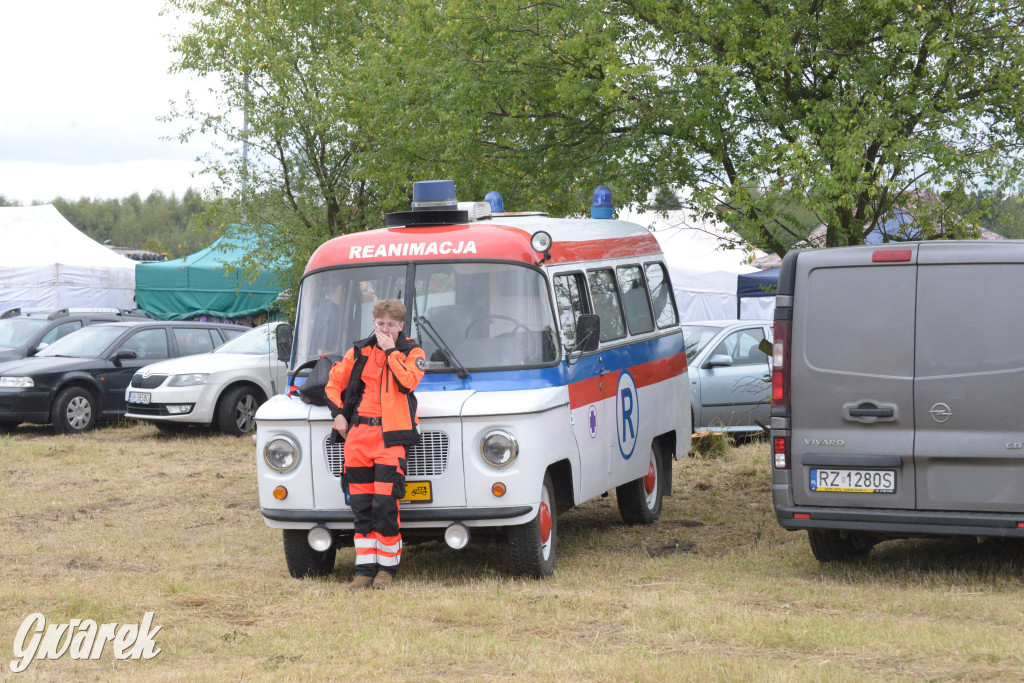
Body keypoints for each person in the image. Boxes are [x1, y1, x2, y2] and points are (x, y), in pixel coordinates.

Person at [324, 299, 426, 590]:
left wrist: (391, 351)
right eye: (380, 325)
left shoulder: (412, 352)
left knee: (385, 504)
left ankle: (386, 570)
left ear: (401, 326)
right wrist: (339, 416)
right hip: (358, 437)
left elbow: (408, 383)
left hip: (390, 437)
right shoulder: (359, 350)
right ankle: (364, 570)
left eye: (391, 326)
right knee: (361, 506)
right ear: (374, 323)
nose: (384, 330)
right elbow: (333, 383)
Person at [311, 282, 344, 356]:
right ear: (338, 288)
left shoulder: (318, 310)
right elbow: (323, 354)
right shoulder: (332, 315)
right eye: (342, 288)